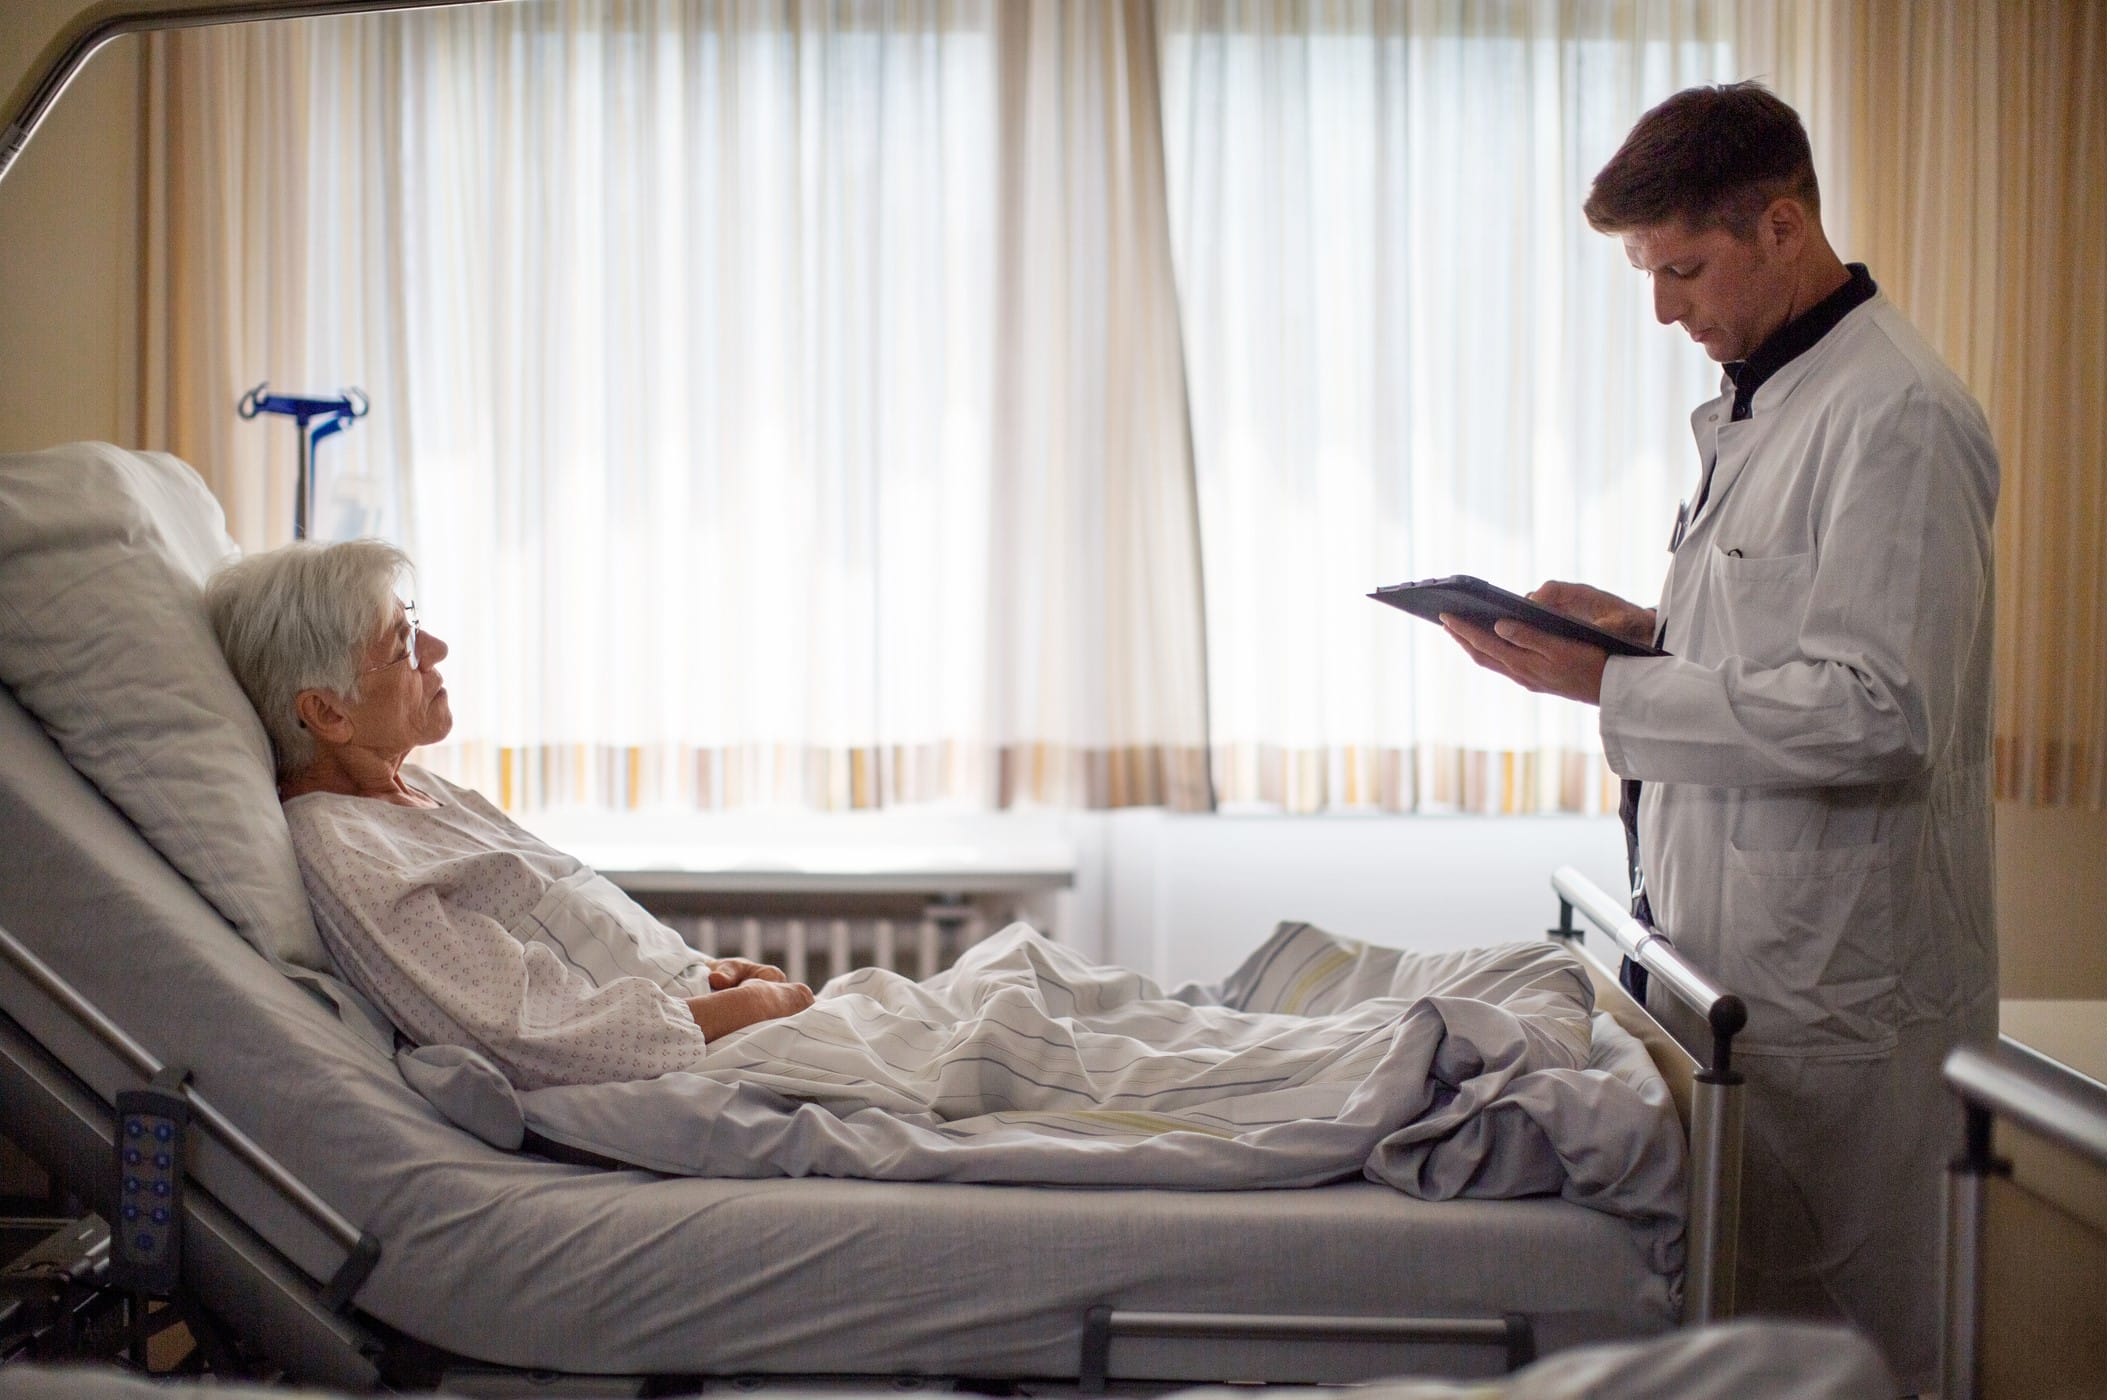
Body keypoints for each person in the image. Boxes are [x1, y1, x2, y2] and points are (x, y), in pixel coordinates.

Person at [202, 538, 1598, 1132]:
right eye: (402, 639)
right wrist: (727, 1021)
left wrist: (720, 990)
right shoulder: (346, 846)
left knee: (1050, 991)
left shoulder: (416, 798)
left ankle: (1406, 1022)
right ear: (321, 705)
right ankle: (1427, 1053)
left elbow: (570, 967)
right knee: (1033, 1035)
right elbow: (525, 1037)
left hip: (727, 1028)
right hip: (697, 1076)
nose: (436, 646)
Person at [1440, 82, 1997, 1392]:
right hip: (1740, 976)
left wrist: (1613, 691)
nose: (1664, 308)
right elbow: (1776, 652)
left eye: (1683, 267)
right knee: (1757, 1345)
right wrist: (1636, 633)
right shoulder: (1779, 400)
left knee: (1850, 1356)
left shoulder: (1894, 419)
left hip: (1838, 996)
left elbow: (1880, 710)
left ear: (1785, 224)